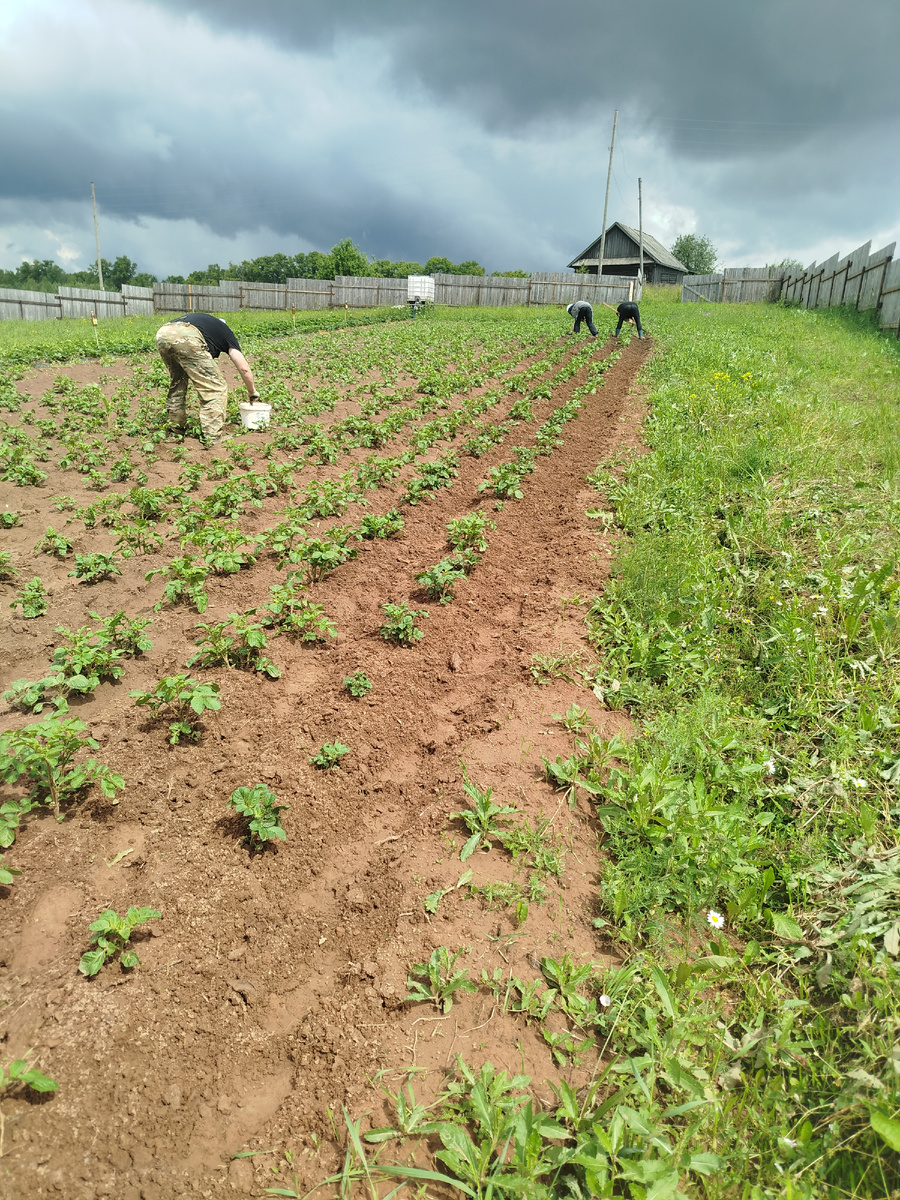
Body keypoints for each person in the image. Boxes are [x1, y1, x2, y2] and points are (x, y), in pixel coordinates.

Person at [155, 312, 262, 447]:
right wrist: (252, 392)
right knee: (215, 387)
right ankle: (213, 437)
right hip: (188, 336)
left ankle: (175, 429)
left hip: (163, 334)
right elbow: (244, 368)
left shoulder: (207, 326)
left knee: (178, 383)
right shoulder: (226, 333)